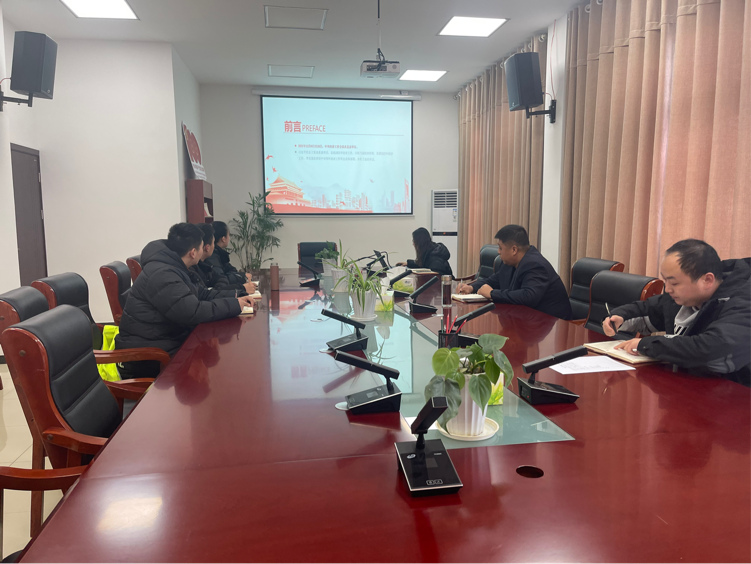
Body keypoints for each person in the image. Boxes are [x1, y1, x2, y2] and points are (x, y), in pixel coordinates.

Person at [116, 223, 255, 378]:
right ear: (193, 252)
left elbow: (202, 294)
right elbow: (192, 312)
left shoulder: (175, 267)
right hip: (147, 357)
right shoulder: (163, 274)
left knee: (217, 356)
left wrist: (236, 296)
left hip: (165, 341)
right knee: (220, 363)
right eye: (202, 247)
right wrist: (234, 305)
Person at [604, 239, 750, 386]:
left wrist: (646, 345)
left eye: (674, 283)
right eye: (665, 280)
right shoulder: (684, 297)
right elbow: (650, 309)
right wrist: (620, 316)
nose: (667, 289)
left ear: (707, 280)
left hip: (734, 392)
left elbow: (713, 349)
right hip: (686, 385)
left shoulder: (743, 303)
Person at [456, 224, 572, 320]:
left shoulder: (535, 265)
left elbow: (528, 296)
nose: (498, 252)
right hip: (526, 319)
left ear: (514, 250)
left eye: (500, 248)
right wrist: (471, 287)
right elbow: (495, 280)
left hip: (552, 324)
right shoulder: (509, 263)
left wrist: (492, 293)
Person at [190, 224, 256, 296]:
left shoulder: (204, 265)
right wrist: (241, 288)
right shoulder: (193, 269)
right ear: (207, 247)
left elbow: (220, 278)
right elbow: (208, 294)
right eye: (213, 243)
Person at [205, 221, 249, 286]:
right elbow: (221, 279)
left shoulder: (220, 254)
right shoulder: (212, 256)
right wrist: (242, 277)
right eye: (229, 235)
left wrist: (241, 276)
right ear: (223, 239)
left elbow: (232, 270)